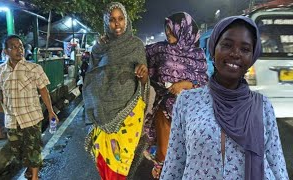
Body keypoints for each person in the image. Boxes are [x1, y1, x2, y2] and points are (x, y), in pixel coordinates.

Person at [161, 16, 289, 179]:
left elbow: (277, 165)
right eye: (227, 45)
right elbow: (174, 164)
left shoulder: (262, 105)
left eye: (245, 49)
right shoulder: (188, 101)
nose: (235, 53)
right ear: (214, 50)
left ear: (252, 57)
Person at [82, 2, 149, 180]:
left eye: (120, 19)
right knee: (106, 161)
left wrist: (143, 74)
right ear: (106, 23)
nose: (117, 23)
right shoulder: (99, 47)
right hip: (103, 110)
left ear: (126, 20)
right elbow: (90, 77)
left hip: (129, 112)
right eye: (111, 20)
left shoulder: (136, 45)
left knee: (124, 160)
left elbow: (143, 81)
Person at [143, 12, 208, 178]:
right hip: (164, 109)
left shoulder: (198, 54)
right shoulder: (159, 49)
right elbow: (137, 53)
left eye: (171, 30)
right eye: (167, 30)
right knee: (164, 154)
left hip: (189, 114)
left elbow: (204, 82)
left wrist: (187, 85)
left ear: (184, 31)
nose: (167, 33)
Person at [0, 34, 58, 180]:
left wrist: (51, 111)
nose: (19, 50)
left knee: (34, 150)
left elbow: (43, 90)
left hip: (31, 117)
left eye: (21, 46)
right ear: (6, 51)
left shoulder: (34, 68)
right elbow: (0, 92)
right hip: (11, 119)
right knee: (17, 152)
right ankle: (30, 168)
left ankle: (34, 176)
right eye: (14, 47)